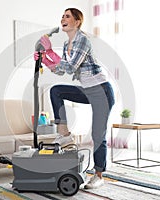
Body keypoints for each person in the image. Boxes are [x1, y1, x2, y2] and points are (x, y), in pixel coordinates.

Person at [34, 8, 115, 189]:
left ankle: (99, 175)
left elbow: (70, 67)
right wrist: (45, 59)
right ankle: (64, 134)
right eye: (62, 15)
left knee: (97, 134)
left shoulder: (83, 40)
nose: (63, 18)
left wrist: (49, 52)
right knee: (56, 91)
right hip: (87, 90)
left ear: (77, 22)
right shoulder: (66, 45)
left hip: (101, 91)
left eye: (67, 16)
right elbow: (61, 70)